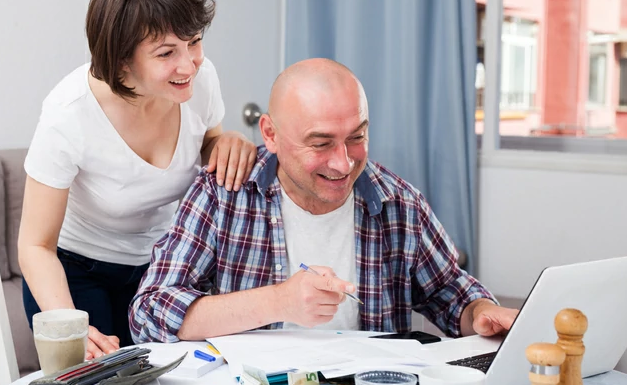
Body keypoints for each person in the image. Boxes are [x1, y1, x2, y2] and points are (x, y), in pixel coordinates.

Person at [129, 58, 517, 343]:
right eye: (321, 143)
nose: (344, 163)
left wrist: (482, 313)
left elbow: (451, 292)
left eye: (356, 136)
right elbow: (149, 312)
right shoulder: (224, 193)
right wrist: (279, 302)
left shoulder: (400, 204)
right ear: (271, 134)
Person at [18, 0, 257, 359]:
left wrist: (226, 144)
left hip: (163, 267)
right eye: (166, 53)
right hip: (76, 272)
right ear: (122, 60)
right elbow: (35, 245)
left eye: (194, 41)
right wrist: (68, 322)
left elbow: (207, 143)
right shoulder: (69, 114)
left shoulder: (200, 79)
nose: (189, 63)